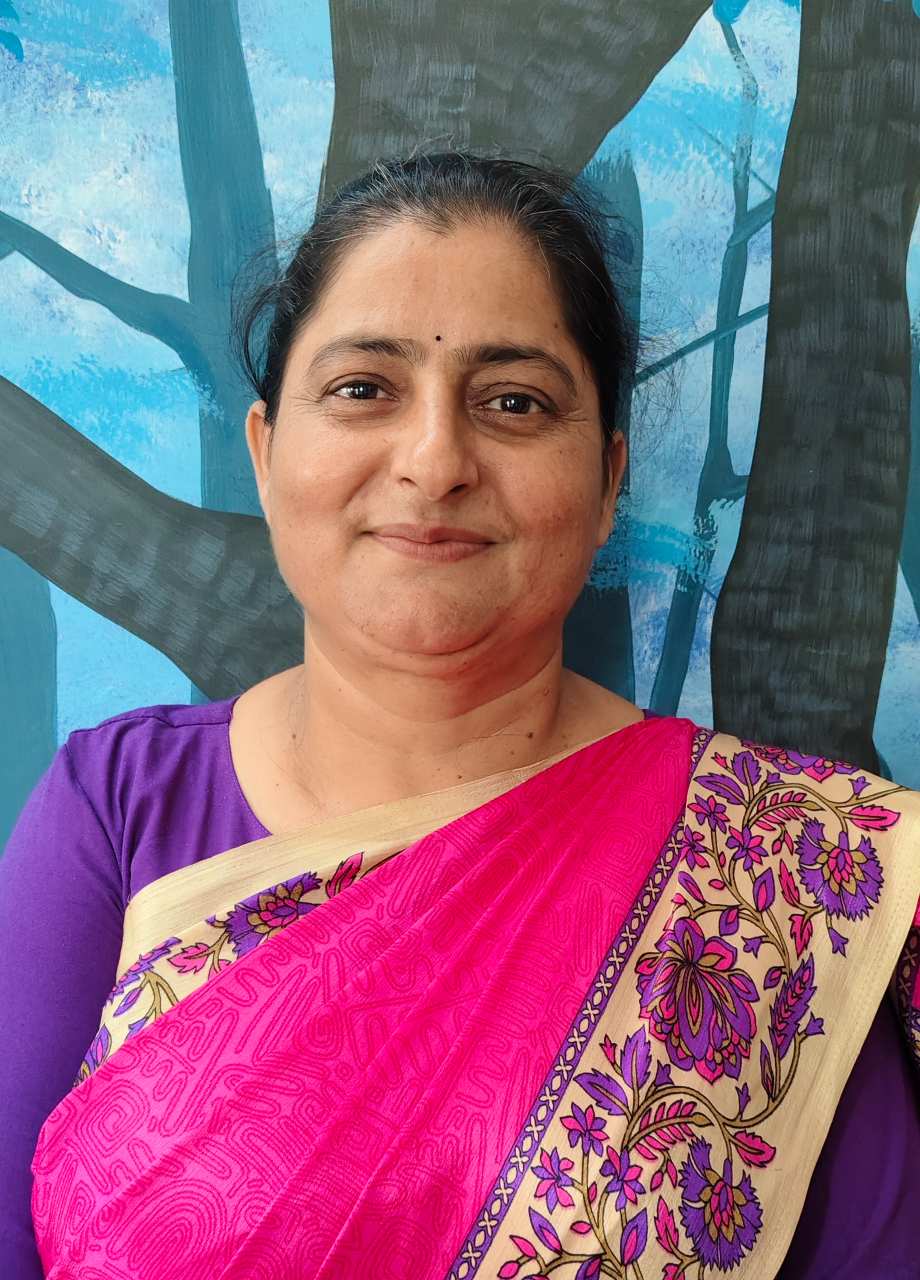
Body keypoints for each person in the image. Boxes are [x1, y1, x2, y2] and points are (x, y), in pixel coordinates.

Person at [1, 151, 918, 1280]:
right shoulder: (121, 810)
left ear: (607, 482)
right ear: (266, 453)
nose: (435, 461)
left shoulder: (774, 874)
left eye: (513, 402)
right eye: (363, 388)